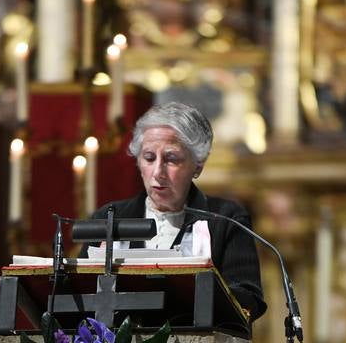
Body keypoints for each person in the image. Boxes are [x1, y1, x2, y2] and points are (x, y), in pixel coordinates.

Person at [80, 101, 266, 321]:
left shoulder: (227, 219)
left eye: (171, 159)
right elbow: (78, 294)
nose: (158, 172)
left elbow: (247, 298)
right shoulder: (109, 217)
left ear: (198, 164)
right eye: (149, 158)